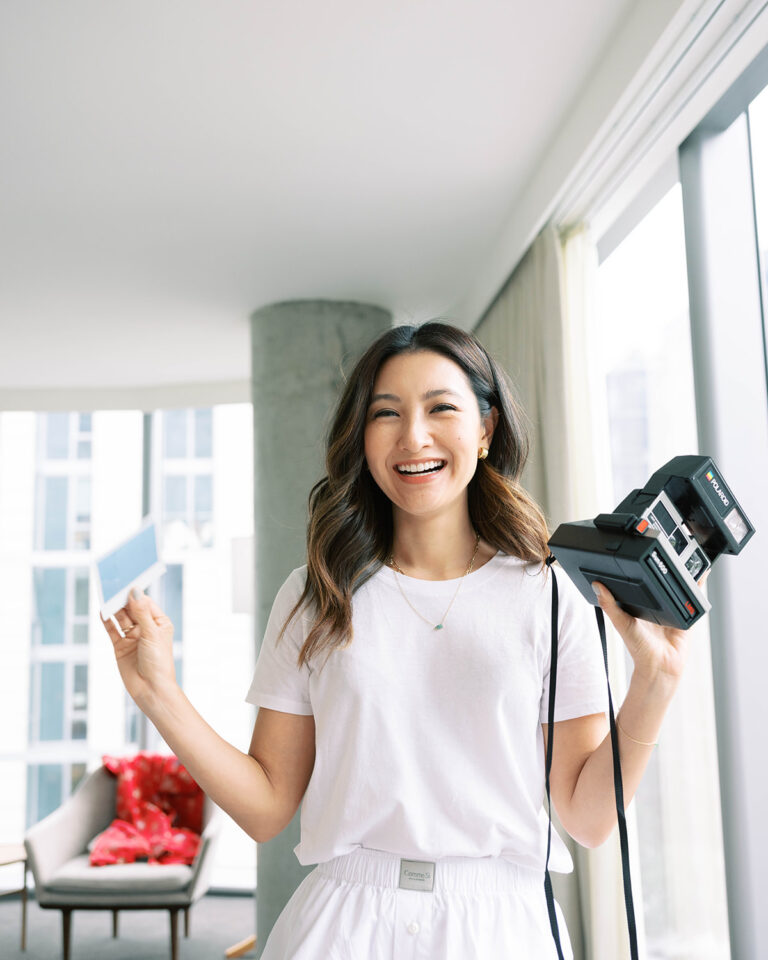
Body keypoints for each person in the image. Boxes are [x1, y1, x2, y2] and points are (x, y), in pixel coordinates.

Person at [103, 321, 689, 958]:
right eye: (387, 413)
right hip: (343, 923)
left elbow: (588, 818)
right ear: (363, 437)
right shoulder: (315, 594)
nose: (414, 437)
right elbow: (268, 806)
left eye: (441, 407)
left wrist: (654, 686)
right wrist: (158, 693)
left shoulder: (550, 595)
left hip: (501, 927)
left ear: (486, 430)